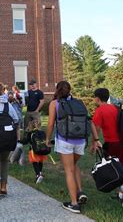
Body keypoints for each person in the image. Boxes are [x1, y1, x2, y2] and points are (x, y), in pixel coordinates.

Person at [45, 81, 87, 214]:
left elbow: (51, 124)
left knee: (69, 170)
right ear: (70, 90)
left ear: (57, 90)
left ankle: (74, 204)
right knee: (74, 164)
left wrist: (47, 139)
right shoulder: (78, 102)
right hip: (80, 140)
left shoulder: (54, 103)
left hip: (65, 140)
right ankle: (80, 192)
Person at [90, 88, 123, 209]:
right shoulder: (115, 107)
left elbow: (96, 128)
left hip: (112, 143)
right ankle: (122, 195)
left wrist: (94, 142)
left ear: (97, 98)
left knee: (111, 169)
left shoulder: (100, 110)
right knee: (122, 168)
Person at [20, 119, 48, 184]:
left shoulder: (31, 133)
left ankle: (38, 175)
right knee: (40, 162)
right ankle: (40, 172)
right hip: (42, 149)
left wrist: (19, 141)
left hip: (33, 151)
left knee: (35, 162)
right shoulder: (43, 132)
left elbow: (25, 141)